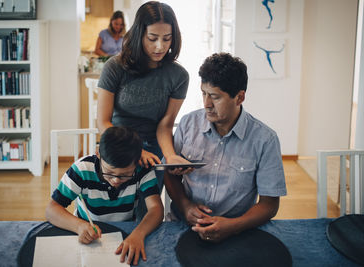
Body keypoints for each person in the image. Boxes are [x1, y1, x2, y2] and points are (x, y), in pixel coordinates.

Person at [164, 52, 287, 242]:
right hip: (183, 226)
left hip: (238, 232)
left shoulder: (265, 140)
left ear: (239, 98)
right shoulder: (188, 125)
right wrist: (185, 206)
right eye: (203, 93)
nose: (206, 104)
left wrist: (234, 226)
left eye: (215, 97)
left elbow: (269, 204)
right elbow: (169, 174)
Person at [97, 1, 190, 190]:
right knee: (115, 210)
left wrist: (170, 155)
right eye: (153, 38)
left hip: (154, 152)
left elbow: (165, 125)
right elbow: (103, 122)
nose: (160, 47)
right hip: (118, 145)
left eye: (167, 39)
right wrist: (136, 151)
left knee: (148, 210)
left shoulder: (179, 76)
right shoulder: (114, 67)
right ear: (140, 35)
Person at [45, 126, 164, 265]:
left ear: (137, 161)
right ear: (98, 154)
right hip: (86, 232)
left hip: (126, 232)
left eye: (125, 175)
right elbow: (52, 209)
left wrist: (139, 234)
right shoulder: (82, 169)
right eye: (109, 172)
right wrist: (78, 226)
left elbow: (156, 209)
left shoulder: (142, 170)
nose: (116, 180)